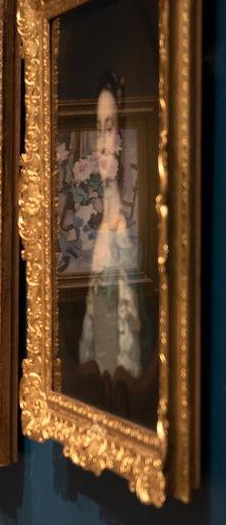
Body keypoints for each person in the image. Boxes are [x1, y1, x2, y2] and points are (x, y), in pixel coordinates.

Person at [78, 72, 143, 378]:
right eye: (98, 131)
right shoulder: (89, 213)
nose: (102, 145)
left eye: (110, 129)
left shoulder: (131, 217)